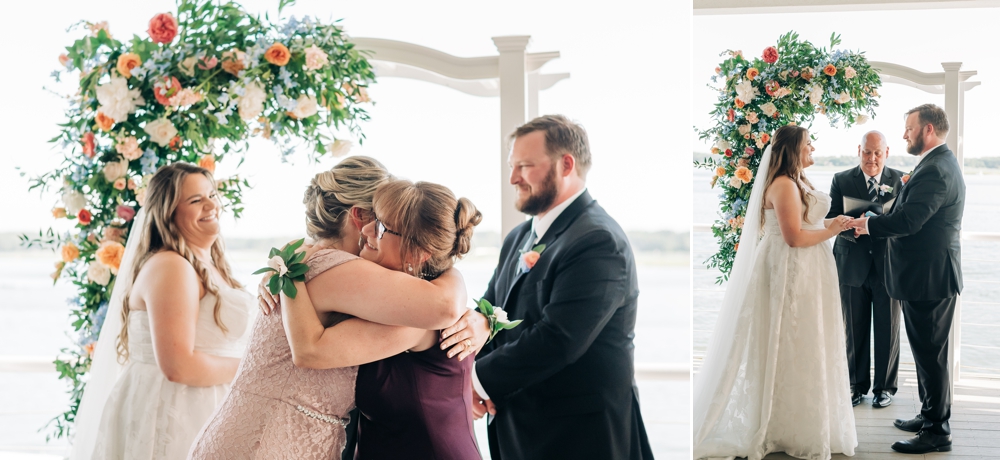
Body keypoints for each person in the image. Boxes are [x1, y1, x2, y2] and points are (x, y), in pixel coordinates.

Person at [188, 157, 488, 459]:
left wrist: (482, 319)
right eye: (377, 216)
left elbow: (441, 305)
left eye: (383, 224)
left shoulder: (312, 260)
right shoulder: (340, 270)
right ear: (358, 216)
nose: (373, 229)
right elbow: (444, 304)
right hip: (268, 440)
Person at [470, 115, 653, 460]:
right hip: (519, 429)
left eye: (525, 166)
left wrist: (477, 381)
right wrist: (469, 370)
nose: (513, 178)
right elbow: (488, 312)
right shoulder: (519, 237)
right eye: (513, 166)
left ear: (566, 164)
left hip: (580, 438)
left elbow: (560, 339)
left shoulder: (598, 240)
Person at [693, 125, 858, 460]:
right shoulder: (783, 185)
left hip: (809, 272)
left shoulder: (799, 181)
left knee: (807, 343)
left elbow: (808, 225)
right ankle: (777, 423)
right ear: (793, 150)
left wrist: (835, 223)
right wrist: (833, 231)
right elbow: (794, 237)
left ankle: (801, 419)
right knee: (786, 340)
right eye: (808, 144)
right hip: (789, 272)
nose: (813, 149)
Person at [72, 163, 254, 460]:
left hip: (209, 405)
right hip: (177, 411)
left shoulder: (208, 265)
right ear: (169, 213)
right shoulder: (172, 266)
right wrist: (253, 368)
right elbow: (178, 366)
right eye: (196, 200)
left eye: (211, 195)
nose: (211, 205)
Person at [849, 104, 965, 455]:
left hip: (929, 277)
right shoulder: (935, 163)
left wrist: (867, 224)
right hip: (925, 275)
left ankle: (936, 432)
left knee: (932, 355)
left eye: (908, 128)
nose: (904, 135)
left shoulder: (935, 170)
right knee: (928, 352)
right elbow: (910, 212)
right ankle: (930, 414)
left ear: (927, 129)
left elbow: (909, 222)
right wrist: (882, 208)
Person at [827, 131, 904, 408]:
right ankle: (855, 385)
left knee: (889, 327)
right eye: (867, 152)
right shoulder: (841, 179)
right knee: (854, 328)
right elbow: (829, 219)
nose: (872, 159)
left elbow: (906, 223)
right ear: (859, 150)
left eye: (877, 153)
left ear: (887, 152)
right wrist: (851, 227)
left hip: (888, 265)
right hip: (852, 264)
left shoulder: (901, 180)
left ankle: (885, 388)